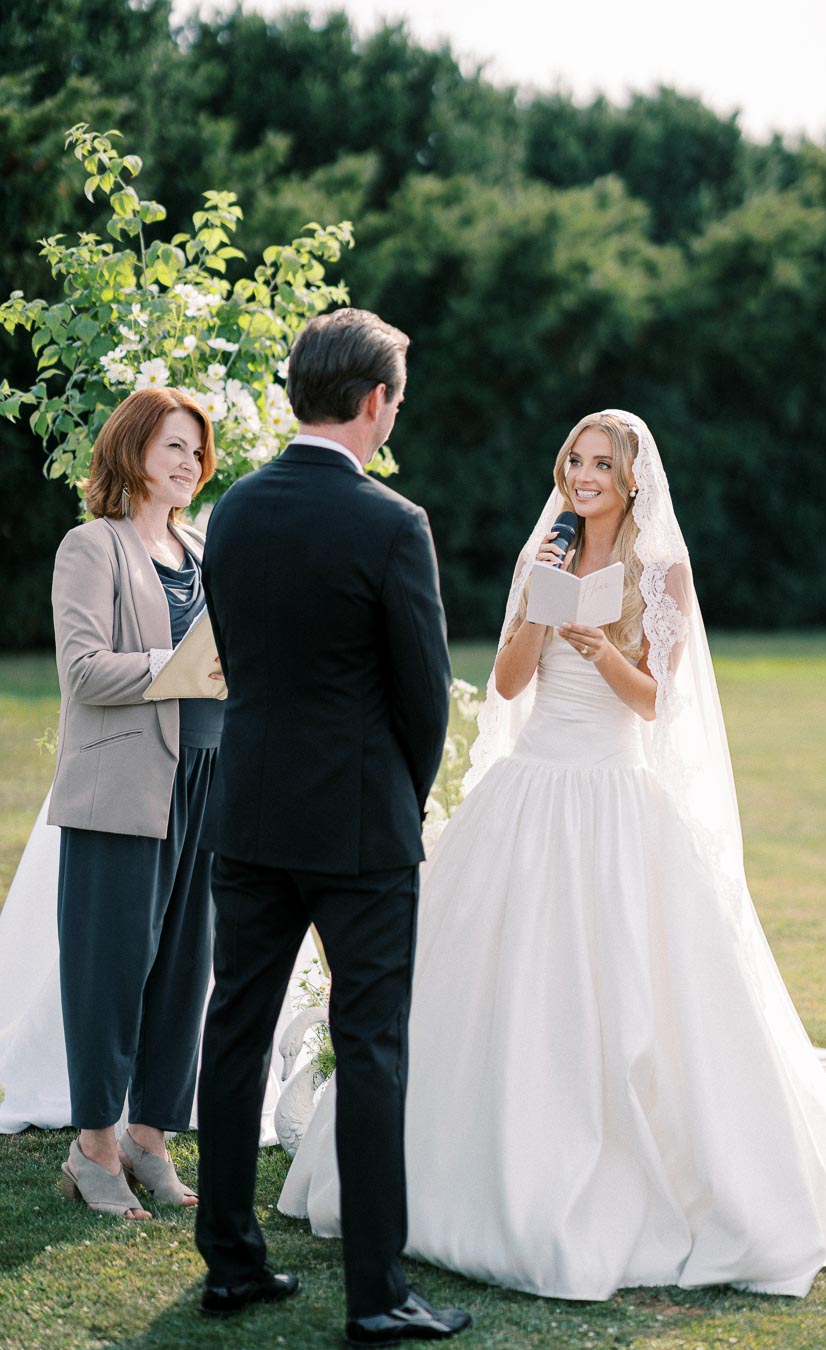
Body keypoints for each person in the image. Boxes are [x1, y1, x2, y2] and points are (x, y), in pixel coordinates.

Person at [282, 409, 826, 1300]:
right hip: (529, 789)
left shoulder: (661, 572)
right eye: (576, 458)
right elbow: (505, 682)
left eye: (602, 462)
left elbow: (654, 702)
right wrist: (541, 607)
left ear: (633, 477)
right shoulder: (547, 550)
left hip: (612, 791)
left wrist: (597, 645)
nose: (584, 474)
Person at [194, 309, 471, 1344]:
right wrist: (400, 792)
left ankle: (229, 1266)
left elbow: (243, 659)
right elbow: (425, 696)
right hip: (359, 824)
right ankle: (377, 1295)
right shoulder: (393, 524)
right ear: (373, 402)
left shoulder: (232, 513)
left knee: (233, 1033)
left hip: (251, 808)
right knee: (372, 1048)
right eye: (396, 396)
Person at [47, 387, 224, 1220]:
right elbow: (82, 669)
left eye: (196, 449)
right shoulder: (93, 546)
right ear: (132, 449)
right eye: (172, 446)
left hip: (206, 780)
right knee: (110, 972)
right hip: (121, 789)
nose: (188, 461)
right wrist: (175, 666)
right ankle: (94, 1149)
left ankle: (152, 1135)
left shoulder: (201, 548)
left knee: (186, 972)